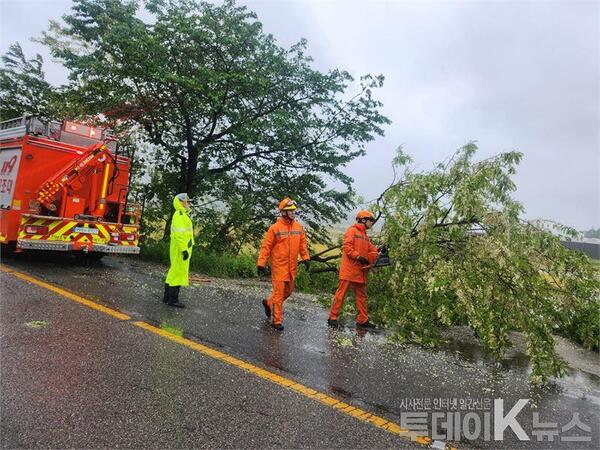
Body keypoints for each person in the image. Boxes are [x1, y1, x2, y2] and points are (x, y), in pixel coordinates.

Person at [257, 198, 310, 331]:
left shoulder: (298, 227)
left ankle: (269, 303)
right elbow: (266, 246)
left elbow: (303, 244)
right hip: (279, 266)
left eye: (293, 211)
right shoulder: (275, 228)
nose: (293, 213)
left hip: (292, 267)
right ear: (283, 212)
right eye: (290, 211)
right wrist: (261, 263)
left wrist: (306, 258)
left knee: (289, 291)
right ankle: (276, 321)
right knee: (279, 294)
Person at [327, 210, 379, 329]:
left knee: (362, 297)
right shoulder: (352, 231)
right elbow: (346, 246)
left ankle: (362, 320)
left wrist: (379, 251)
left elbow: (372, 249)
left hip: (360, 271)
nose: (372, 223)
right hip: (349, 270)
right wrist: (358, 256)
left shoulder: (365, 236)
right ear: (364, 220)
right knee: (341, 294)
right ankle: (332, 317)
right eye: (371, 220)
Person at [163, 193, 195, 308]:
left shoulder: (181, 215)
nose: (189, 204)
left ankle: (167, 297)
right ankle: (173, 299)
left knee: (173, 272)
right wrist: (184, 250)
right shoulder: (180, 215)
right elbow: (179, 235)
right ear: (182, 202)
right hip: (180, 250)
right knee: (178, 273)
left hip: (180, 248)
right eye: (188, 202)